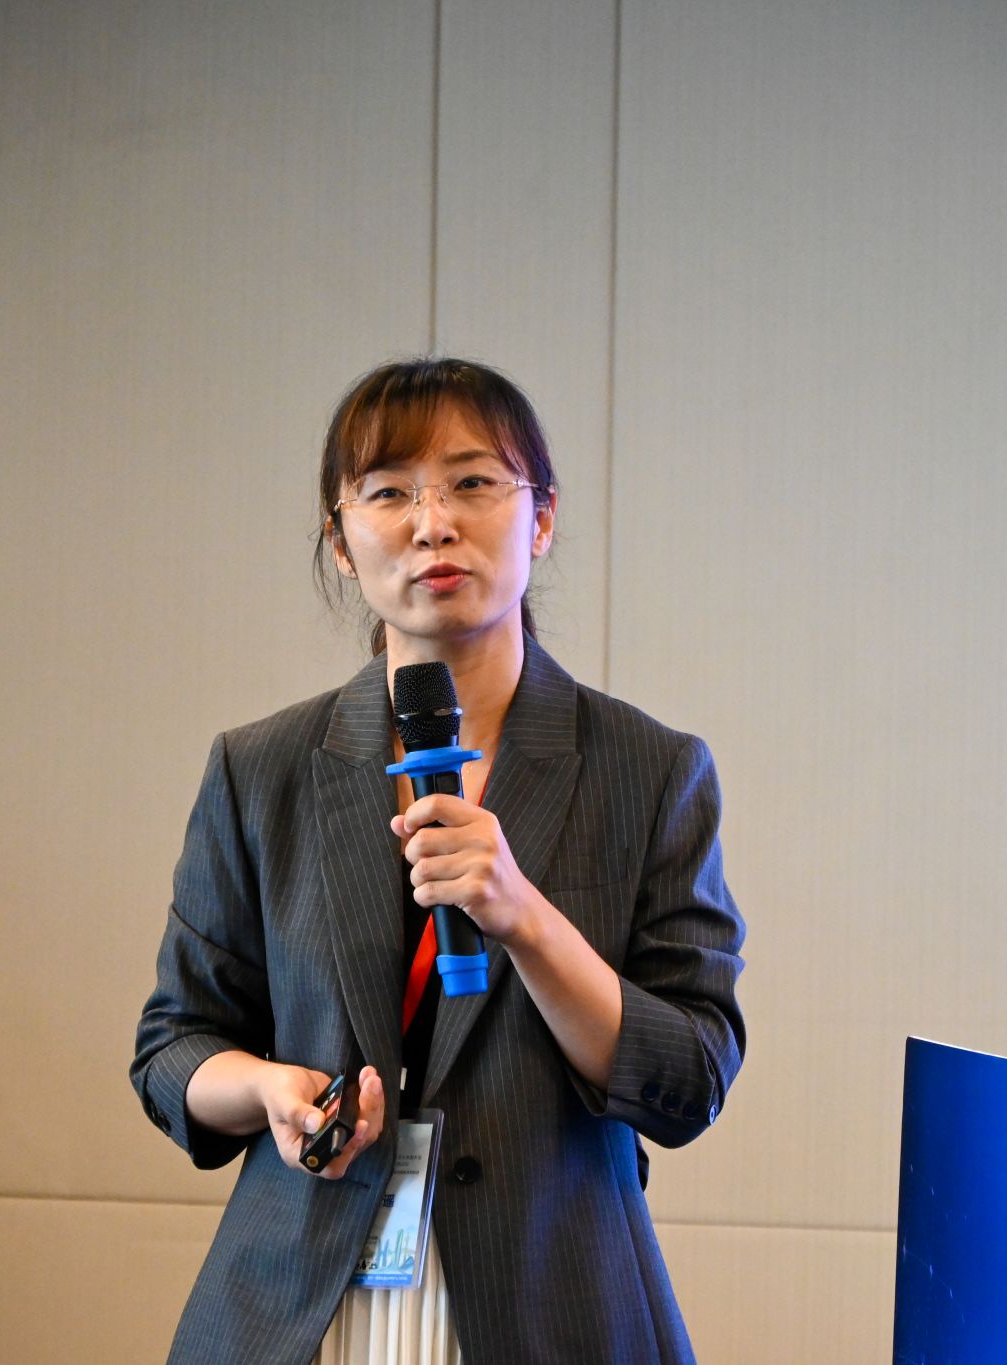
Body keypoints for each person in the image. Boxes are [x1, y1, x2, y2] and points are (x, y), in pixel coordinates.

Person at [131, 358, 746, 1364]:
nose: (432, 523)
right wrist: (269, 1091)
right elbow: (173, 1047)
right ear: (341, 541)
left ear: (540, 518)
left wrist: (525, 918)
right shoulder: (261, 768)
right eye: (388, 493)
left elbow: (689, 1075)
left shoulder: (649, 769)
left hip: (552, 1307)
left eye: (471, 482)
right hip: (298, 1309)